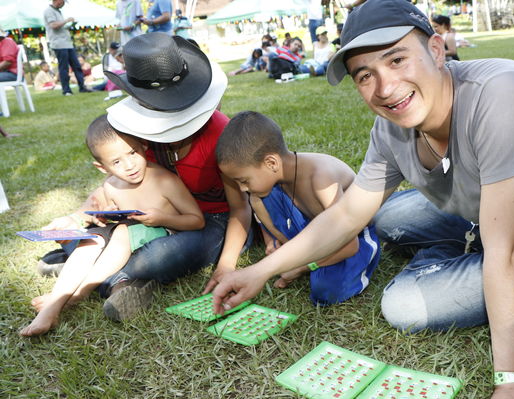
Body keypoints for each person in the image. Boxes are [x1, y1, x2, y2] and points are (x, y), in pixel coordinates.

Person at [211, 1, 514, 398]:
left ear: (435, 50)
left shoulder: (506, 96)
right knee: (390, 215)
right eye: (365, 75)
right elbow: (347, 215)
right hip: (489, 221)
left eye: (397, 59)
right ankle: (463, 249)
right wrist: (257, 272)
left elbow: (507, 253)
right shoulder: (390, 129)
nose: (385, 88)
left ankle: (454, 259)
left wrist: (511, 380)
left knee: (403, 305)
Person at [41, 33, 252, 322]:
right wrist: (80, 216)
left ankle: (109, 276)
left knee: (157, 258)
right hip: (146, 221)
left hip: (210, 221)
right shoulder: (135, 130)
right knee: (97, 234)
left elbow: (241, 209)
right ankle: (109, 274)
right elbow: (114, 182)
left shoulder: (220, 134)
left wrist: (227, 265)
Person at [20, 115, 205, 337]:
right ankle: (52, 308)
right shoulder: (110, 185)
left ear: (144, 146)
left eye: (133, 153)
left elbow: (197, 220)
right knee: (90, 240)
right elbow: (108, 214)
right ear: (101, 167)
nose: (129, 165)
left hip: (161, 235)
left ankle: (80, 292)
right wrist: (97, 218)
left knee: (123, 232)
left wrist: (162, 218)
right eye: (117, 162)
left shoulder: (164, 180)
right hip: (124, 237)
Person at [207, 111, 380, 305]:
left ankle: (312, 261)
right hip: (315, 228)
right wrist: (271, 240)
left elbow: (349, 244)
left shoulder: (320, 178)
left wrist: (302, 266)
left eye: (244, 181)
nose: (242, 188)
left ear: (271, 163)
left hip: (353, 237)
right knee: (262, 193)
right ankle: (296, 253)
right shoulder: (274, 179)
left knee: (326, 289)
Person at [43, 0, 91, 96]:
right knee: (64, 67)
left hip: (67, 44)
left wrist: (69, 25)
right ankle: (66, 90)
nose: (64, 3)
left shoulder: (58, 11)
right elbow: (53, 25)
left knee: (77, 66)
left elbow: (60, 27)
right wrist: (66, 20)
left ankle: (82, 87)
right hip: (59, 44)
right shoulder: (49, 11)